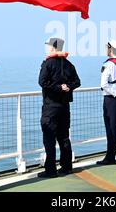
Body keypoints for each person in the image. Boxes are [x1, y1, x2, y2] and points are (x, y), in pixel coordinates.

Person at [38, 38, 81, 178]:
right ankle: (67, 166)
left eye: (48, 46)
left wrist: (58, 87)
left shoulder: (48, 64)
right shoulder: (69, 64)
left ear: (52, 48)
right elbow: (77, 82)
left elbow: (42, 82)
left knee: (49, 138)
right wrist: (68, 87)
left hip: (51, 106)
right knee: (64, 137)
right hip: (64, 107)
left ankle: (50, 170)